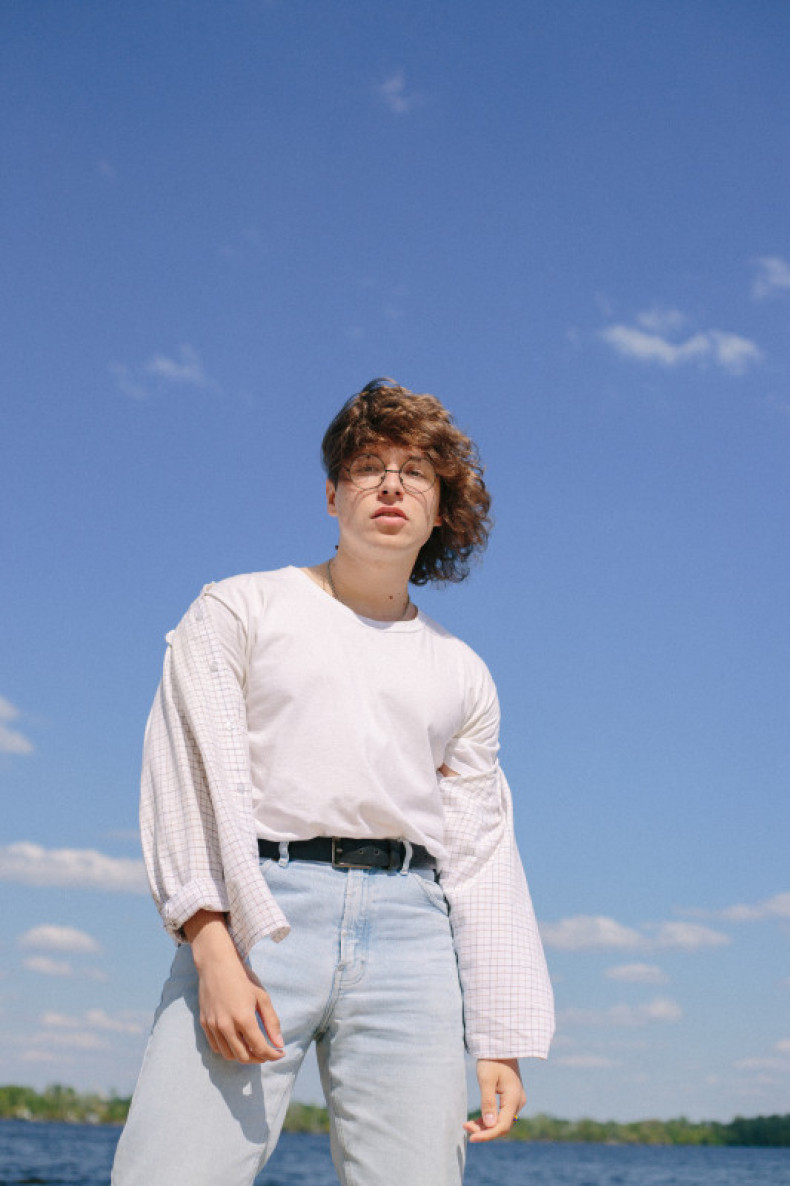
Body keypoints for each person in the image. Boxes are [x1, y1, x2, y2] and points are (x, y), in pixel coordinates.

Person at [112, 379, 554, 1186]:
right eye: (368, 467)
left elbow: (482, 854)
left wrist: (500, 1039)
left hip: (414, 935)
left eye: (415, 472)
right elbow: (184, 778)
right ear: (331, 495)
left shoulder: (463, 671)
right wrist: (211, 947)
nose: (391, 485)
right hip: (260, 916)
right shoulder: (239, 608)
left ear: (440, 508)